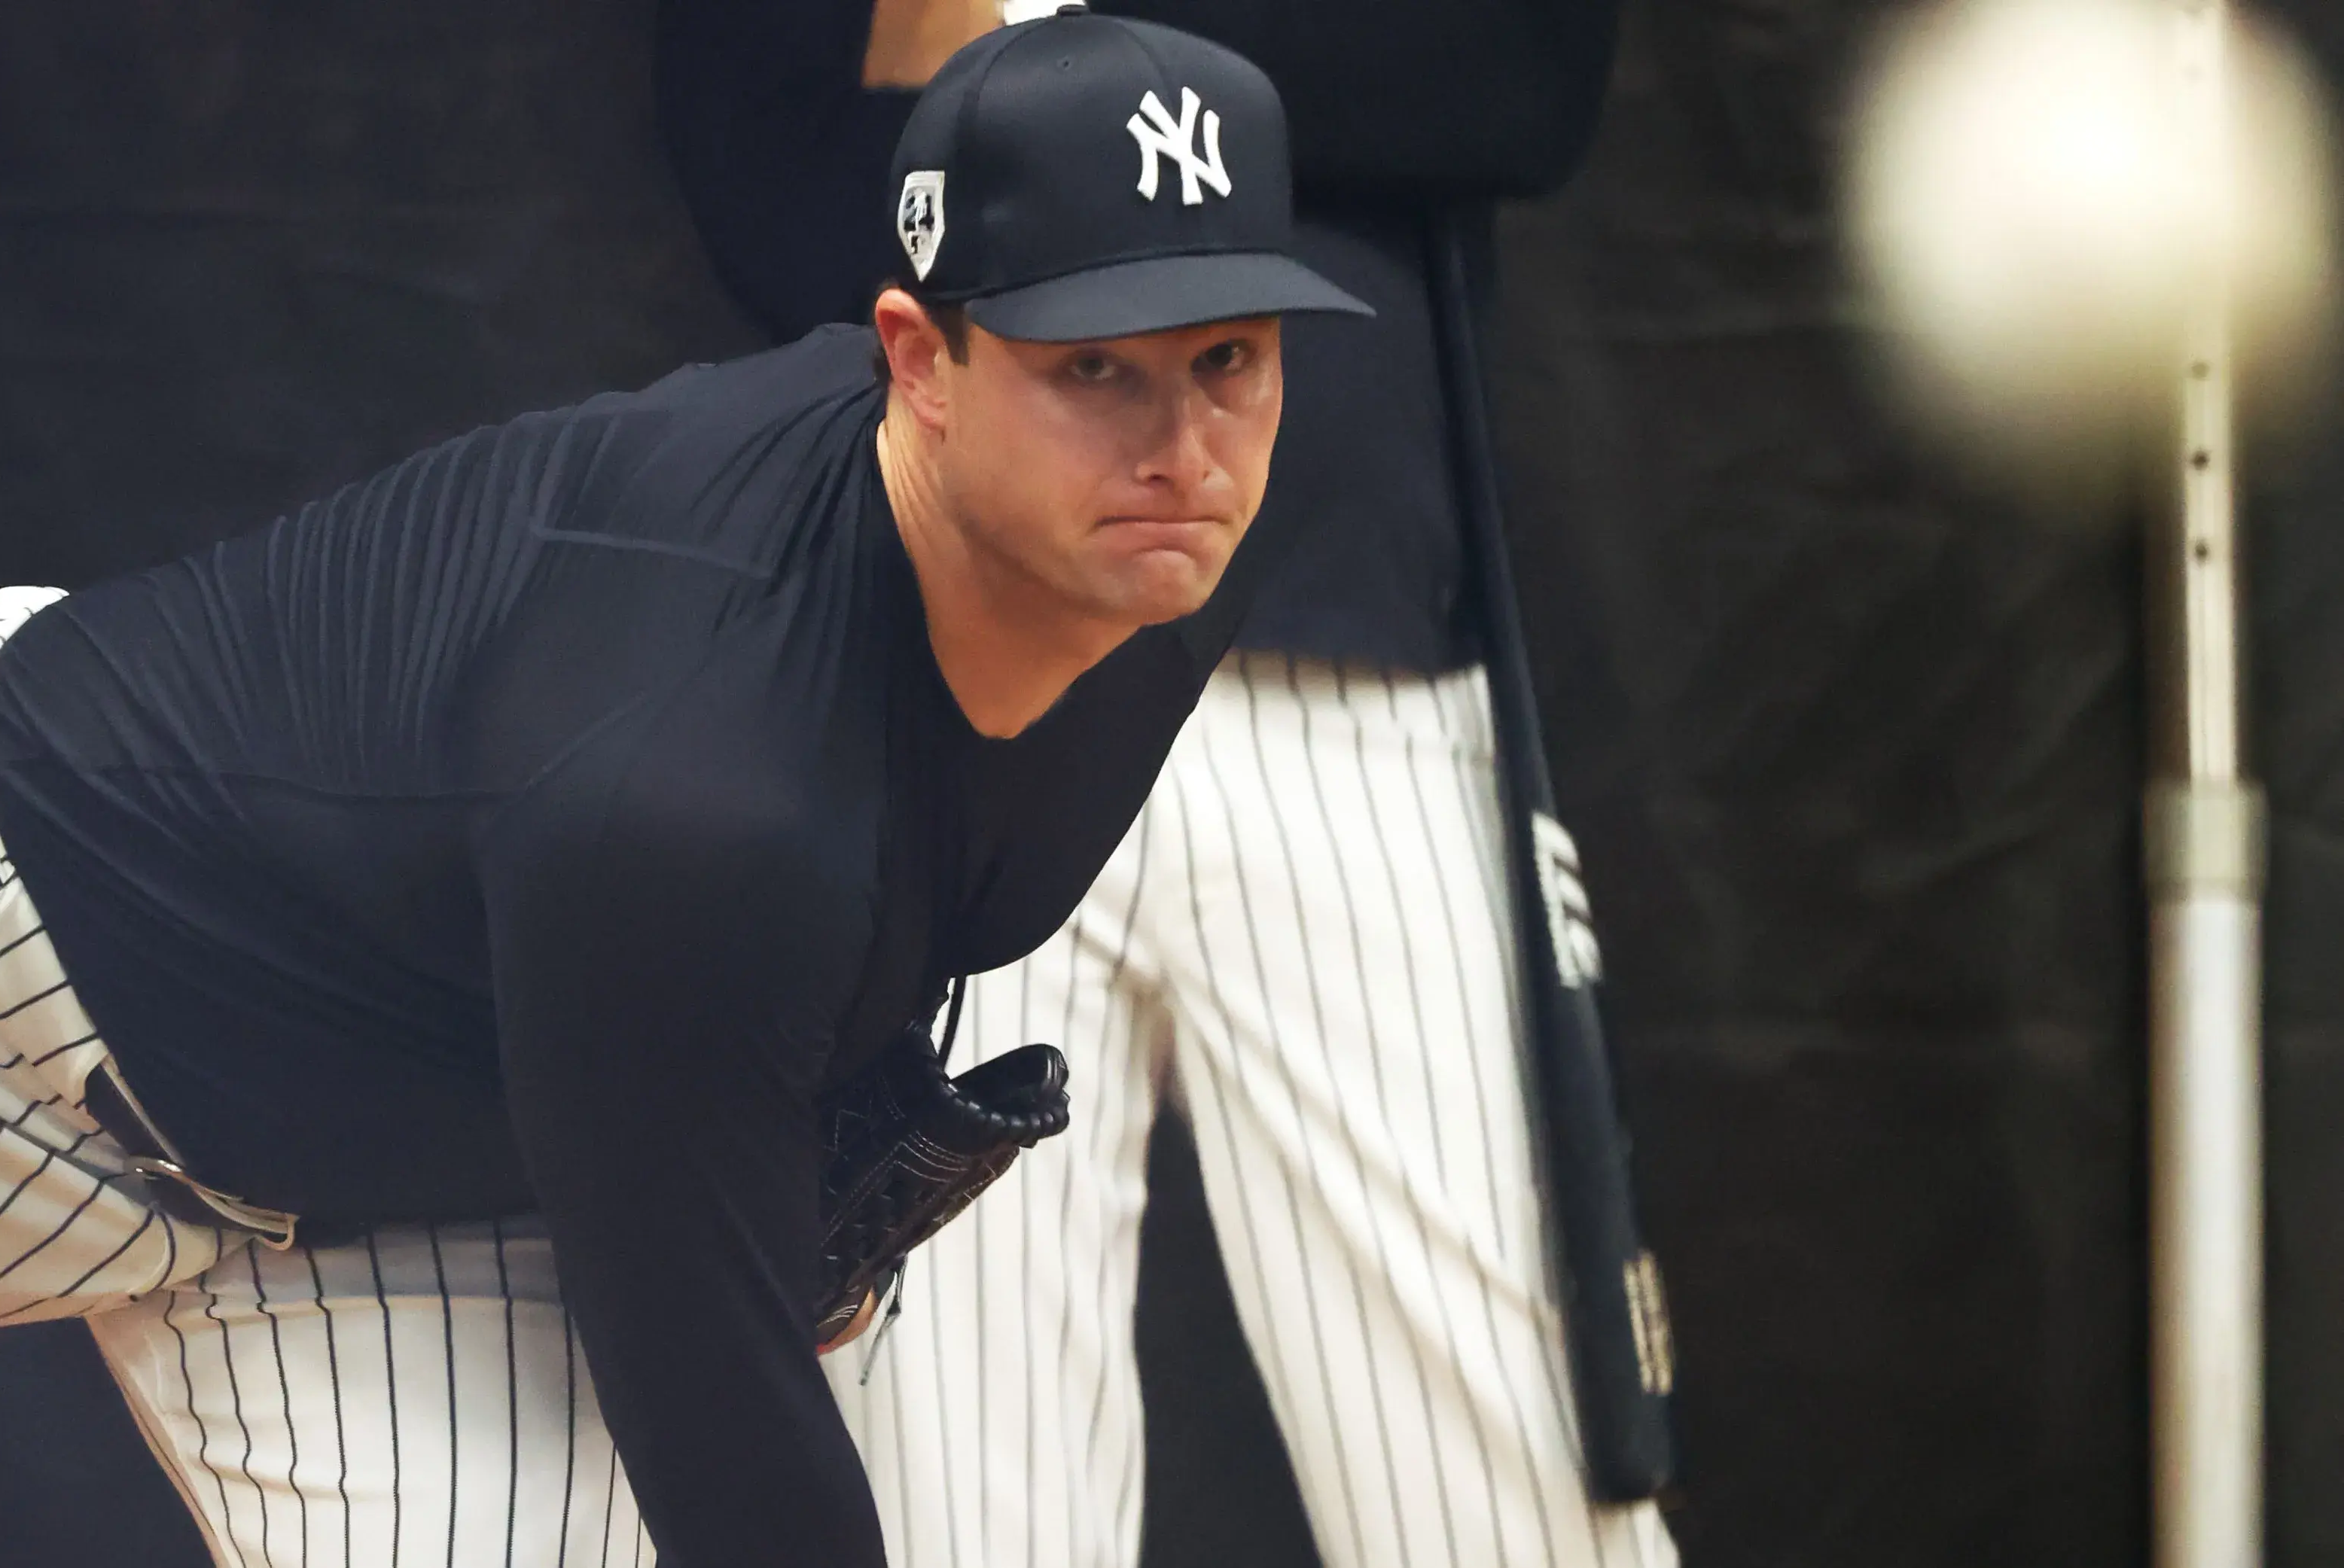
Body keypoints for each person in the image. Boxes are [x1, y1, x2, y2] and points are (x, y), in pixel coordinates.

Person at [0, 14, 1369, 1567]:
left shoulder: (1159, 547)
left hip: (423, 1178)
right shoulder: (695, 787)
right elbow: (740, 1451)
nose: (1181, 441)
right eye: (1095, 368)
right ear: (922, 362)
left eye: (1228, 356)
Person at [660, 2, 1679, 1565]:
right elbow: (760, 157)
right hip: (951, 685)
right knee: (958, 1521)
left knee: (1515, 1508)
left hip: (1348, 678)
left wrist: (1027, 31)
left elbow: (1519, 74)